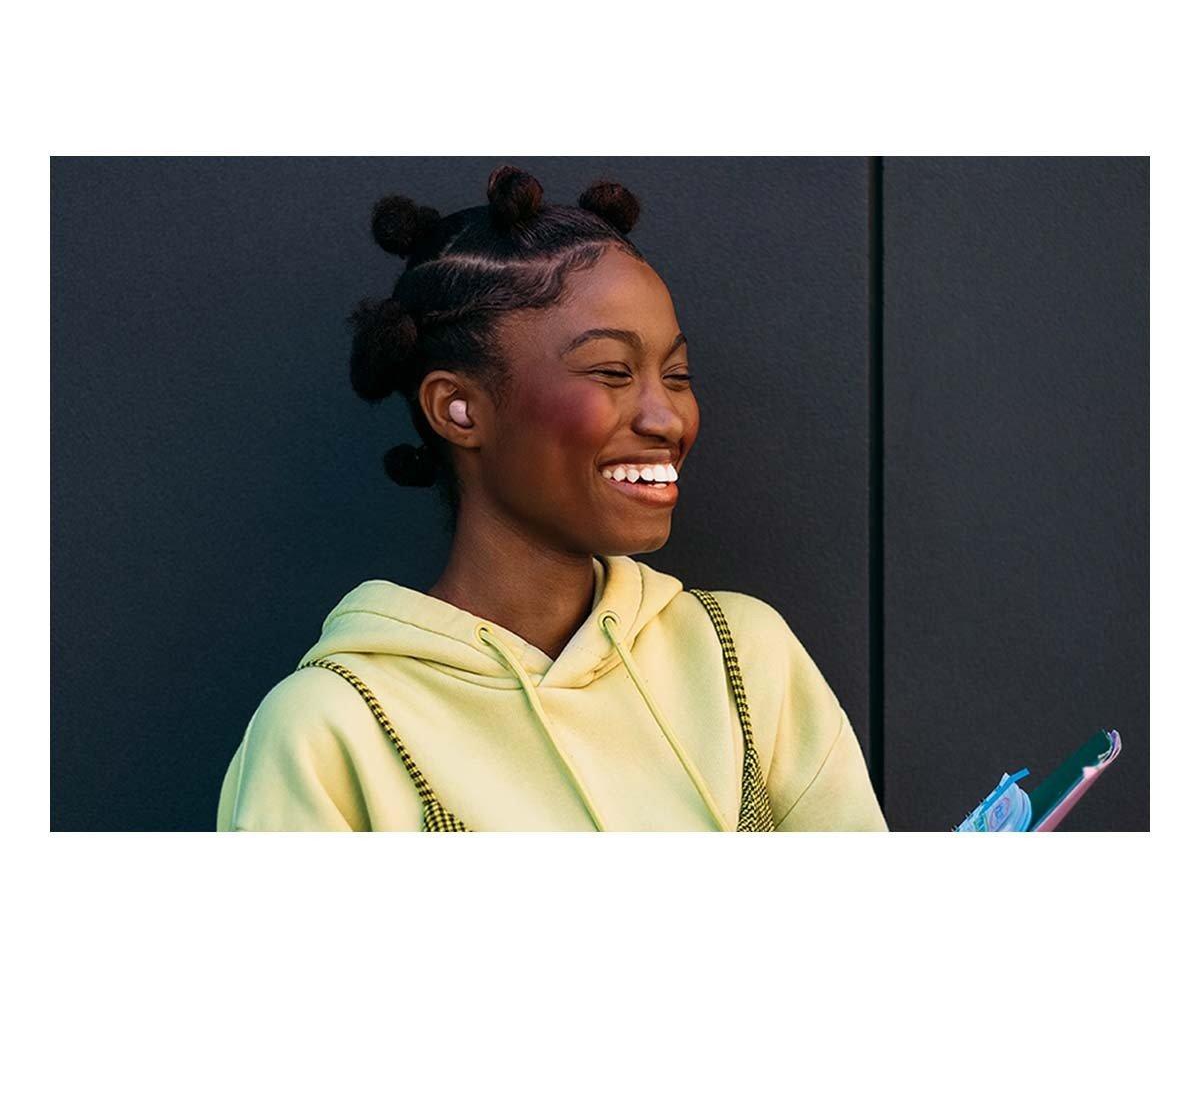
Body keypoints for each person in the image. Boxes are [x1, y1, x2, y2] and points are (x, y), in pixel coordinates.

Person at [216, 165, 887, 832]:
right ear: (457, 408)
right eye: (612, 372)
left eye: (677, 374)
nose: (668, 418)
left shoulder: (740, 655)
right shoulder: (331, 730)